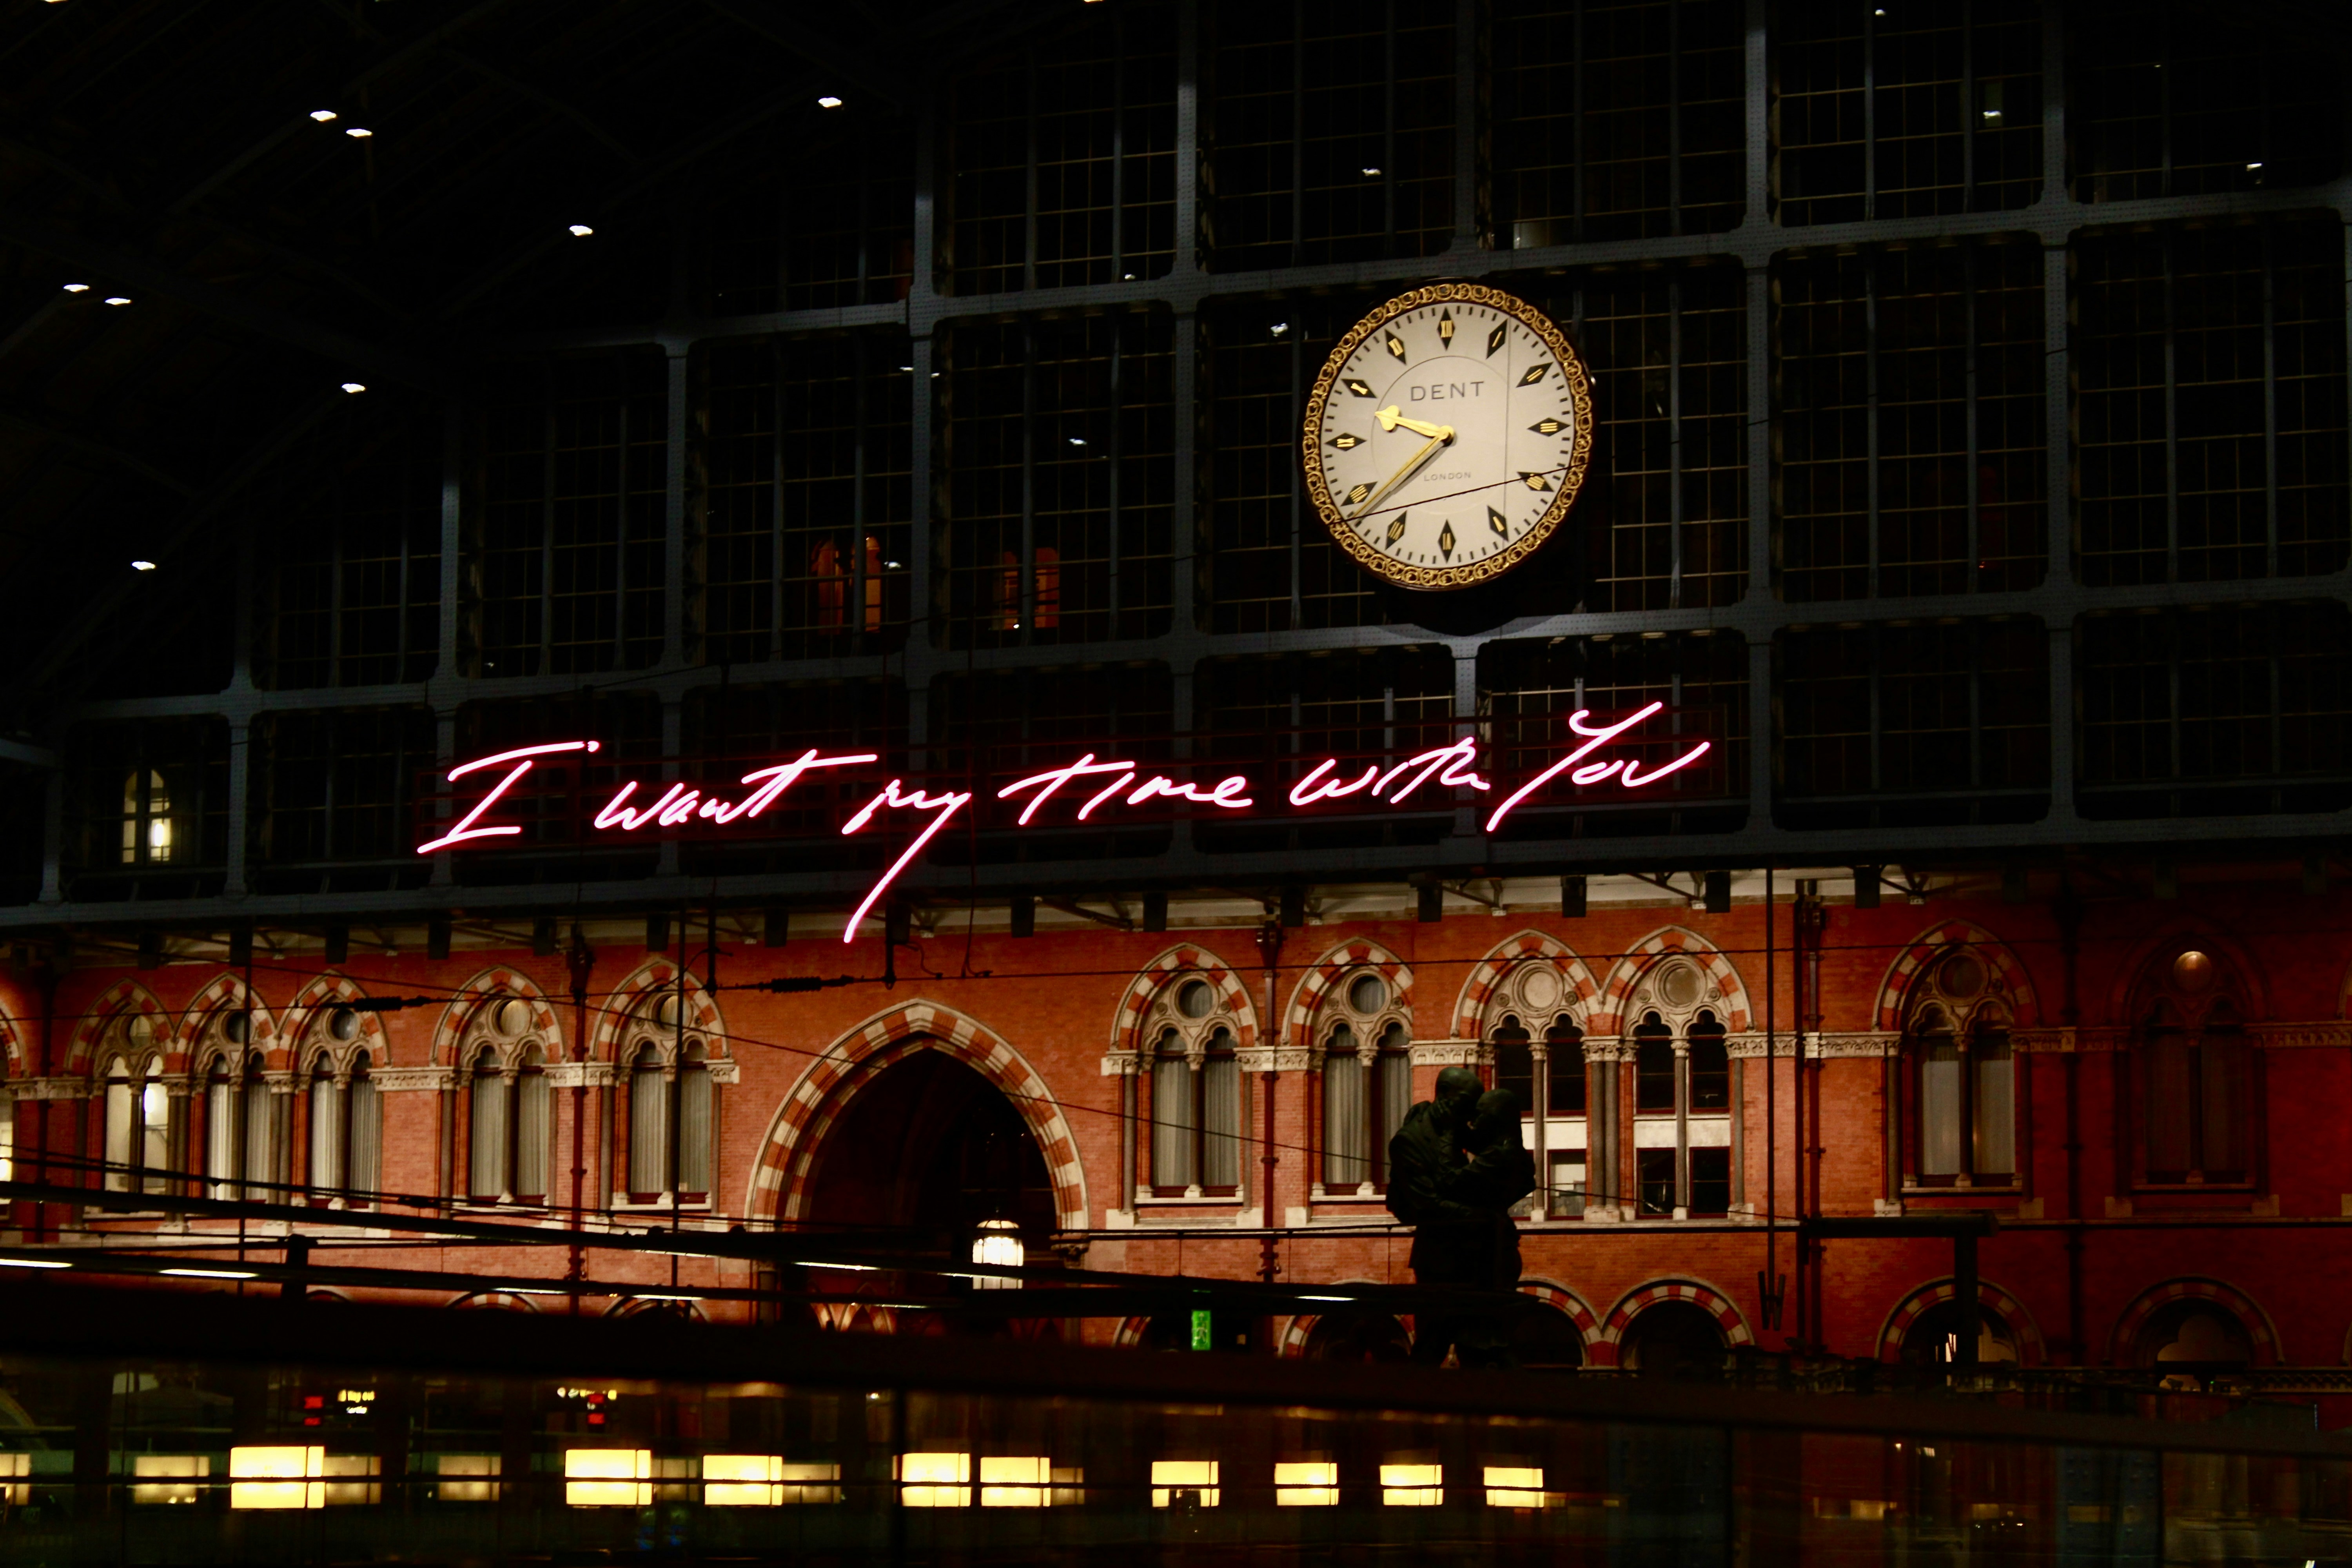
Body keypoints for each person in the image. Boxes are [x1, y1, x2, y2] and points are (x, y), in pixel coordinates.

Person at [1386, 1069, 1532, 1368]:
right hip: (1441, 1259)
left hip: (1477, 1258)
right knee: (1432, 1342)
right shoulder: (1411, 1139)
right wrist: (1481, 1217)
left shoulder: (1453, 1127)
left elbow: (1492, 1145)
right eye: (1468, 1102)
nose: (1471, 1113)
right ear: (1446, 1095)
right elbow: (1426, 1203)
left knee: (1481, 1343)